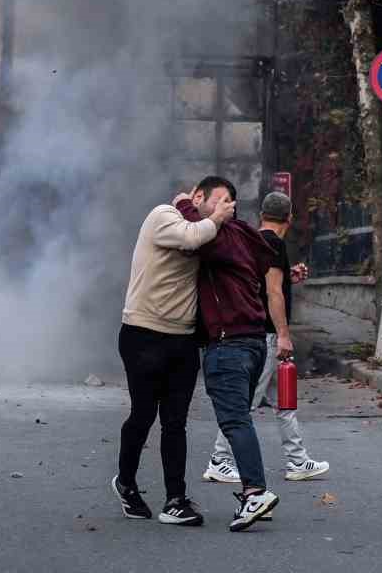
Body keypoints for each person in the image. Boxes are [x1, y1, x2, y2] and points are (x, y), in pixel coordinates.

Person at [113, 179, 236, 527]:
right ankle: (126, 482)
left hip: (182, 341)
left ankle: (175, 499)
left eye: (231, 203)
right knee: (143, 415)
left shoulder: (210, 233)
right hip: (143, 334)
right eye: (220, 201)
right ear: (197, 197)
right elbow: (189, 236)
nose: (226, 208)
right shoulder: (163, 215)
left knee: (175, 422)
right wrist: (215, 218)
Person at [176, 185, 283, 531]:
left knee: (235, 419)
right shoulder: (242, 235)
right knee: (241, 418)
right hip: (252, 341)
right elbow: (265, 254)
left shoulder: (220, 237)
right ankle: (256, 493)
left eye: (222, 202)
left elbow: (198, 238)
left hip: (230, 343)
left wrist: (181, 203)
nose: (217, 208)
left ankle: (255, 491)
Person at [203, 192, 330, 485]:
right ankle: (219, 459)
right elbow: (273, 293)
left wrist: (288, 276)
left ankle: (298, 460)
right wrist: (284, 335)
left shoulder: (252, 239)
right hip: (267, 336)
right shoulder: (274, 243)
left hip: (257, 332)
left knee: (284, 401)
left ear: (262, 215)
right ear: (289, 218)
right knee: (243, 403)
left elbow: (260, 283)